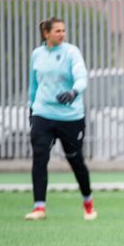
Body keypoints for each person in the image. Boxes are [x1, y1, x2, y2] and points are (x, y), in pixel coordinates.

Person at [24, 17, 96, 221]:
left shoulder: (71, 52)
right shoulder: (37, 55)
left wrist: (74, 92)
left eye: (63, 30)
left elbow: (82, 76)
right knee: (39, 156)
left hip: (70, 116)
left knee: (75, 159)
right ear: (46, 34)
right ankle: (39, 207)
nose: (62, 34)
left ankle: (88, 202)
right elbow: (34, 85)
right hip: (43, 113)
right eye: (57, 31)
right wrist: (32, 110)